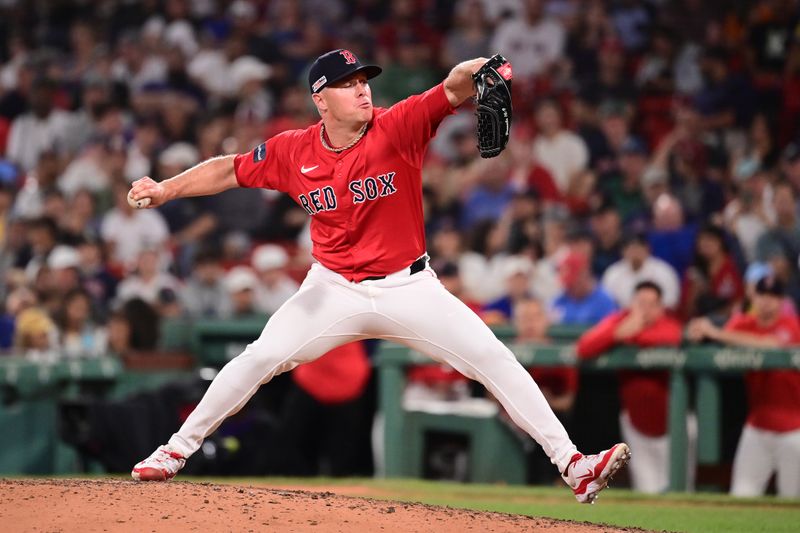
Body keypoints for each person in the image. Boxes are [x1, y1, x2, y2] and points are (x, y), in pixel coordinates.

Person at [128, 49, 629, 503]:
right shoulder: (293, 151)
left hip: (408, 285)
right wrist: (168, 189)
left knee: (492, 357)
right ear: (321, 100)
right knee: (263, 355)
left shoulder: (398, 126)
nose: (362, 88)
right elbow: (229, 169)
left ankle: (574, 466)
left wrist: (485, 69)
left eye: (364, 79)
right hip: (332, 288)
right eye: (348, 83)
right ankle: (174, 451)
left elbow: (453, 85)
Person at [577, 281, 695, 494]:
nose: (646, 310)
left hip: (674, 427)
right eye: (641, 303)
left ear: (661, 307)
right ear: (632, 304)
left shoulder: (668, 323)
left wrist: (625, 335)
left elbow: (672, 337)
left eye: (652, 304)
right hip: (636, 426)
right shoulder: (621, 321)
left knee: (680, 492)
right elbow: (584, 347)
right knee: (647, 493)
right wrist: (615, 334)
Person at [687, 276, 800, 498]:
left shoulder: (790, 324)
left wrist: (715, 332)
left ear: (781, 300)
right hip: (756, 427)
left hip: (794, 430)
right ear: (753, 297)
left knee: (792, 502)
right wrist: (699, 331)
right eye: (762, 295)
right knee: (741, 496)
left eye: (773, 296)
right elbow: (720, 336)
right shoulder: (744, 323)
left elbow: (772, 345)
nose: (767, 301)